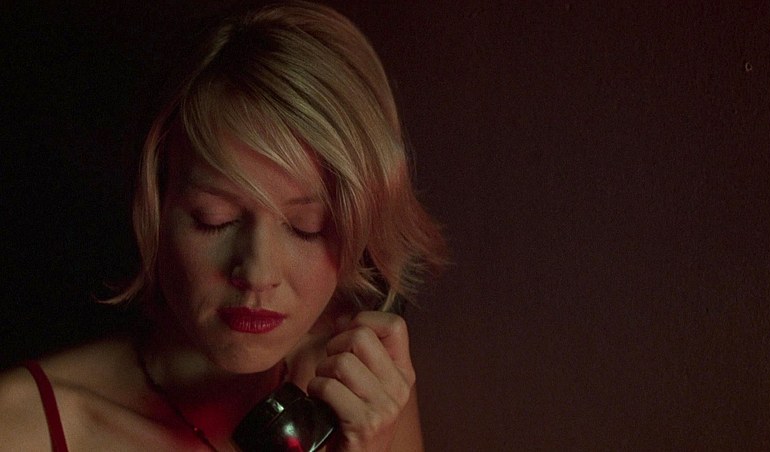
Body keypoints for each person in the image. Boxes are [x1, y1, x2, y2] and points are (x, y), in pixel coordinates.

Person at [0, 1, 446, 450]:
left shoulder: (363, 396)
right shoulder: (18, 426)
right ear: (155, 205)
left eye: (307, 227)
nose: (257, 274)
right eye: (214, 219)